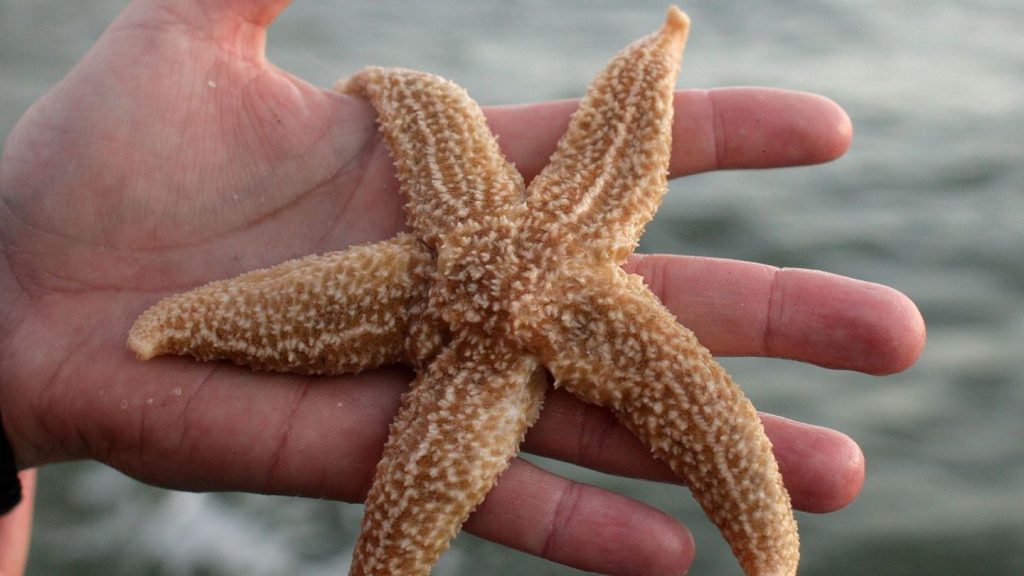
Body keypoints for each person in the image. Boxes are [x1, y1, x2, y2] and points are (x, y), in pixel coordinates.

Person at [0, 1, 925, 574]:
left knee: (725, 455)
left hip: (480, 348)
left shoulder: (533, 211)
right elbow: (430, 106)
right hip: (468, 342)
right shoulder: (528, 210)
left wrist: (21, 312)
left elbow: (462, 106)